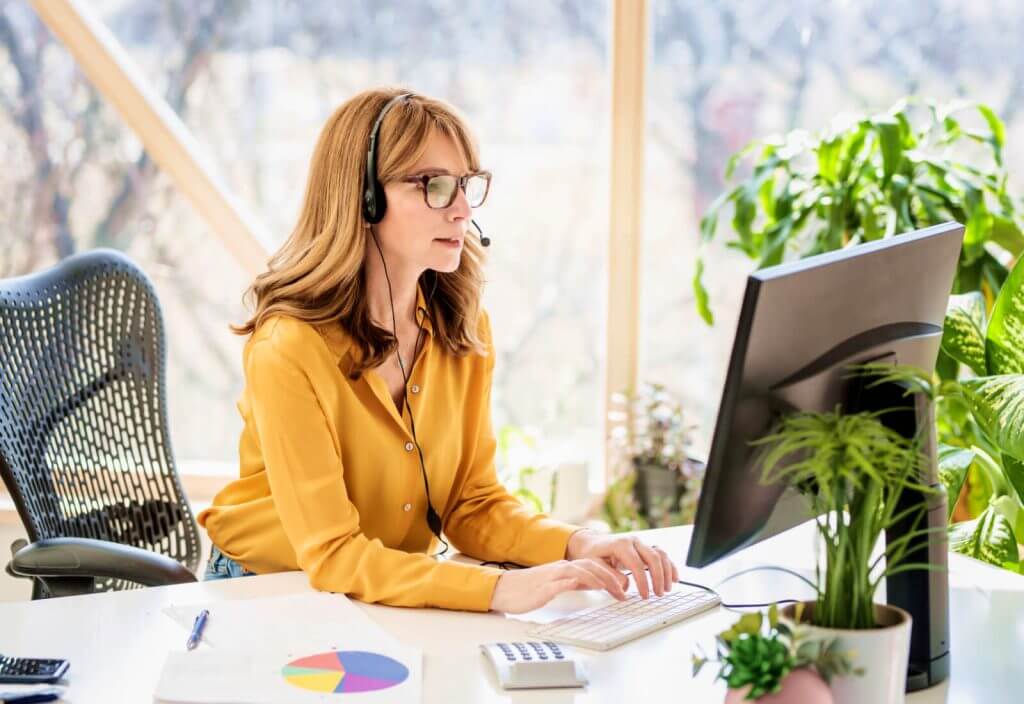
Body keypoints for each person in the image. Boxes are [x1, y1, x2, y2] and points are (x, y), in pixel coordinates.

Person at [198, 87, 680, 614]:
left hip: (386, 587)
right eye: (435, 186)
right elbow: (334, 555)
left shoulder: (462, 328)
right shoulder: (288, 347)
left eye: (467, 185)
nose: (462, 209)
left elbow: (472, 505)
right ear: (363, 197)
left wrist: (580, 543)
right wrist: (497, 590)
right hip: (264, 588)